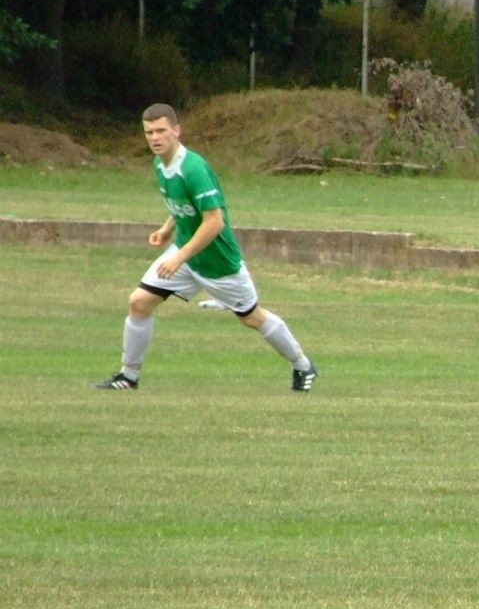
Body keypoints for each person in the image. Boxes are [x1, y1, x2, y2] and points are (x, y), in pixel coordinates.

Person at [95, 103, 318, 393]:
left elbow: (214, 222)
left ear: (177, 131)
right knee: (139, 302)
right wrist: (167, 229)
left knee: (252, 317)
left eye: (161, 130)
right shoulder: (160, 164)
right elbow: (184, 206)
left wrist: (178, 258)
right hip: (187, 256)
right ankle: (128, 376)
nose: (154, 137)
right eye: (149, 132)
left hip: (218, 263)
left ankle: (303, 365)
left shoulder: (194, 168)